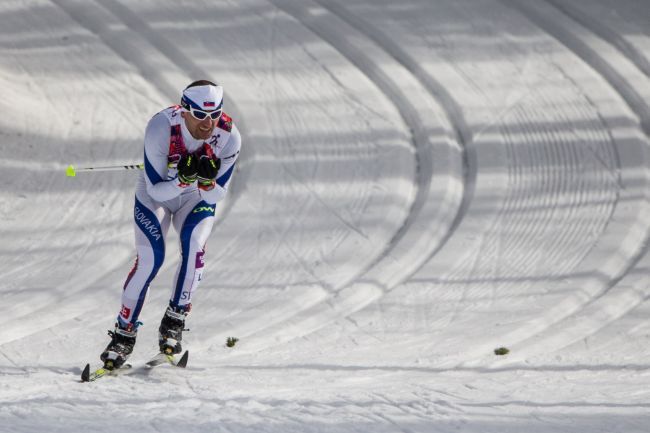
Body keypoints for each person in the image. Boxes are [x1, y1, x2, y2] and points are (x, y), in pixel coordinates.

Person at [99, 80, 241, 368]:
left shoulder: (229, 136)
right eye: (200, 115)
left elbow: (218, 194)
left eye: (214, 115)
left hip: (194, 196)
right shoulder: (161, 128)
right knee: (151, 260)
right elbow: (155, 190)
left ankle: (174, 321)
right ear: (184, 110)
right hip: (158, 196)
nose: (208, 124)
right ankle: (123, 335)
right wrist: (181, 179)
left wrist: (205, 181)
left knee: (194, 248)